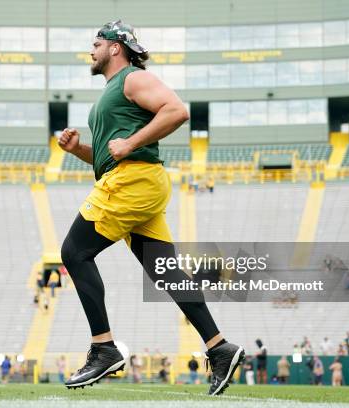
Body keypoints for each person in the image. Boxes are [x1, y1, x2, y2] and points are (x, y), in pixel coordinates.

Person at [57, 19, 244, 395]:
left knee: (74, 252)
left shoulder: (132, 78)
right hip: (135, 181)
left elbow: (176, 111)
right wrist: (78, 149)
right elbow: (108, 156)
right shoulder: (113, 90)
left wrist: (129, 145)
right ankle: (219, 348)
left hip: (134, 181)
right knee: (167, 273)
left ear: (115, 47)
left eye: (96, 43)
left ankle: (104, 348)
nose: (90, 51)